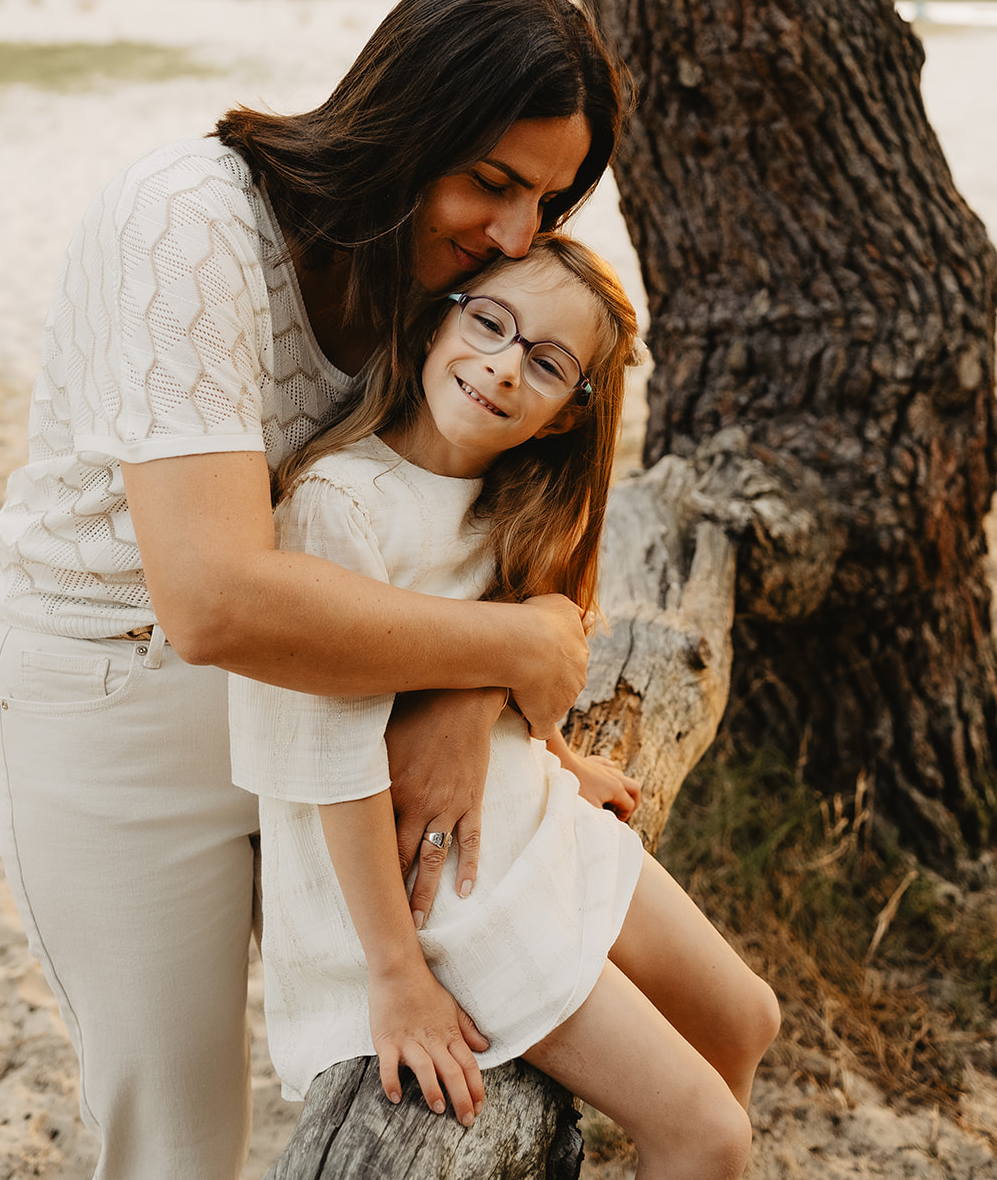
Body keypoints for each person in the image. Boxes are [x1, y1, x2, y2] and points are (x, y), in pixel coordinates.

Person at [0, 0, 626, 1180]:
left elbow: (515, 503)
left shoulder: (443, 275)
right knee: (178, 1135)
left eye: (545, 197)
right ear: (403, 118)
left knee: (479, 1036)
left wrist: (471, 697)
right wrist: (507, 653)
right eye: (490, 179)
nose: (512, 234)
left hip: (341, 690)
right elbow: (212, 598)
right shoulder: (186, 221)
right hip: (115, 695)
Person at [235, 237, 780, 1180]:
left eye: (545, 361)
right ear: (441, 315)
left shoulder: (506, 498)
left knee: (747, 1018)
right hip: (434, 894)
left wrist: (563, 758)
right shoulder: (340, 503)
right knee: (707, 1133)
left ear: (567, 415)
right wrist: (396, 973)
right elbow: (321, 761)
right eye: (489, 321)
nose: (500, 363)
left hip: (528, 815)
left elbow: (510, 653)